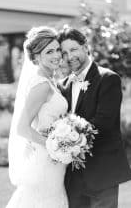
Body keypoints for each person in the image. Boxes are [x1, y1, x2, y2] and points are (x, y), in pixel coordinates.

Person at [58, 27, 131, 208]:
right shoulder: (63, 85)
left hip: (103, 172)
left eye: (73, 49)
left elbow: (103, 123)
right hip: (73, 177)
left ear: (85, 47)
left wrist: (68, 140)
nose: (69, 56)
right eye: (65, 52)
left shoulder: (108, 79)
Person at [7, 26, 68, 208]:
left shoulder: (51, 82)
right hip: (45, 161)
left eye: (58, 49)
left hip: (54, 161)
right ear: (36, 57)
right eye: (49, 51)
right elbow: (22, 128)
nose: (57, 55)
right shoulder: (41, 85)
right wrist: (55, 146)